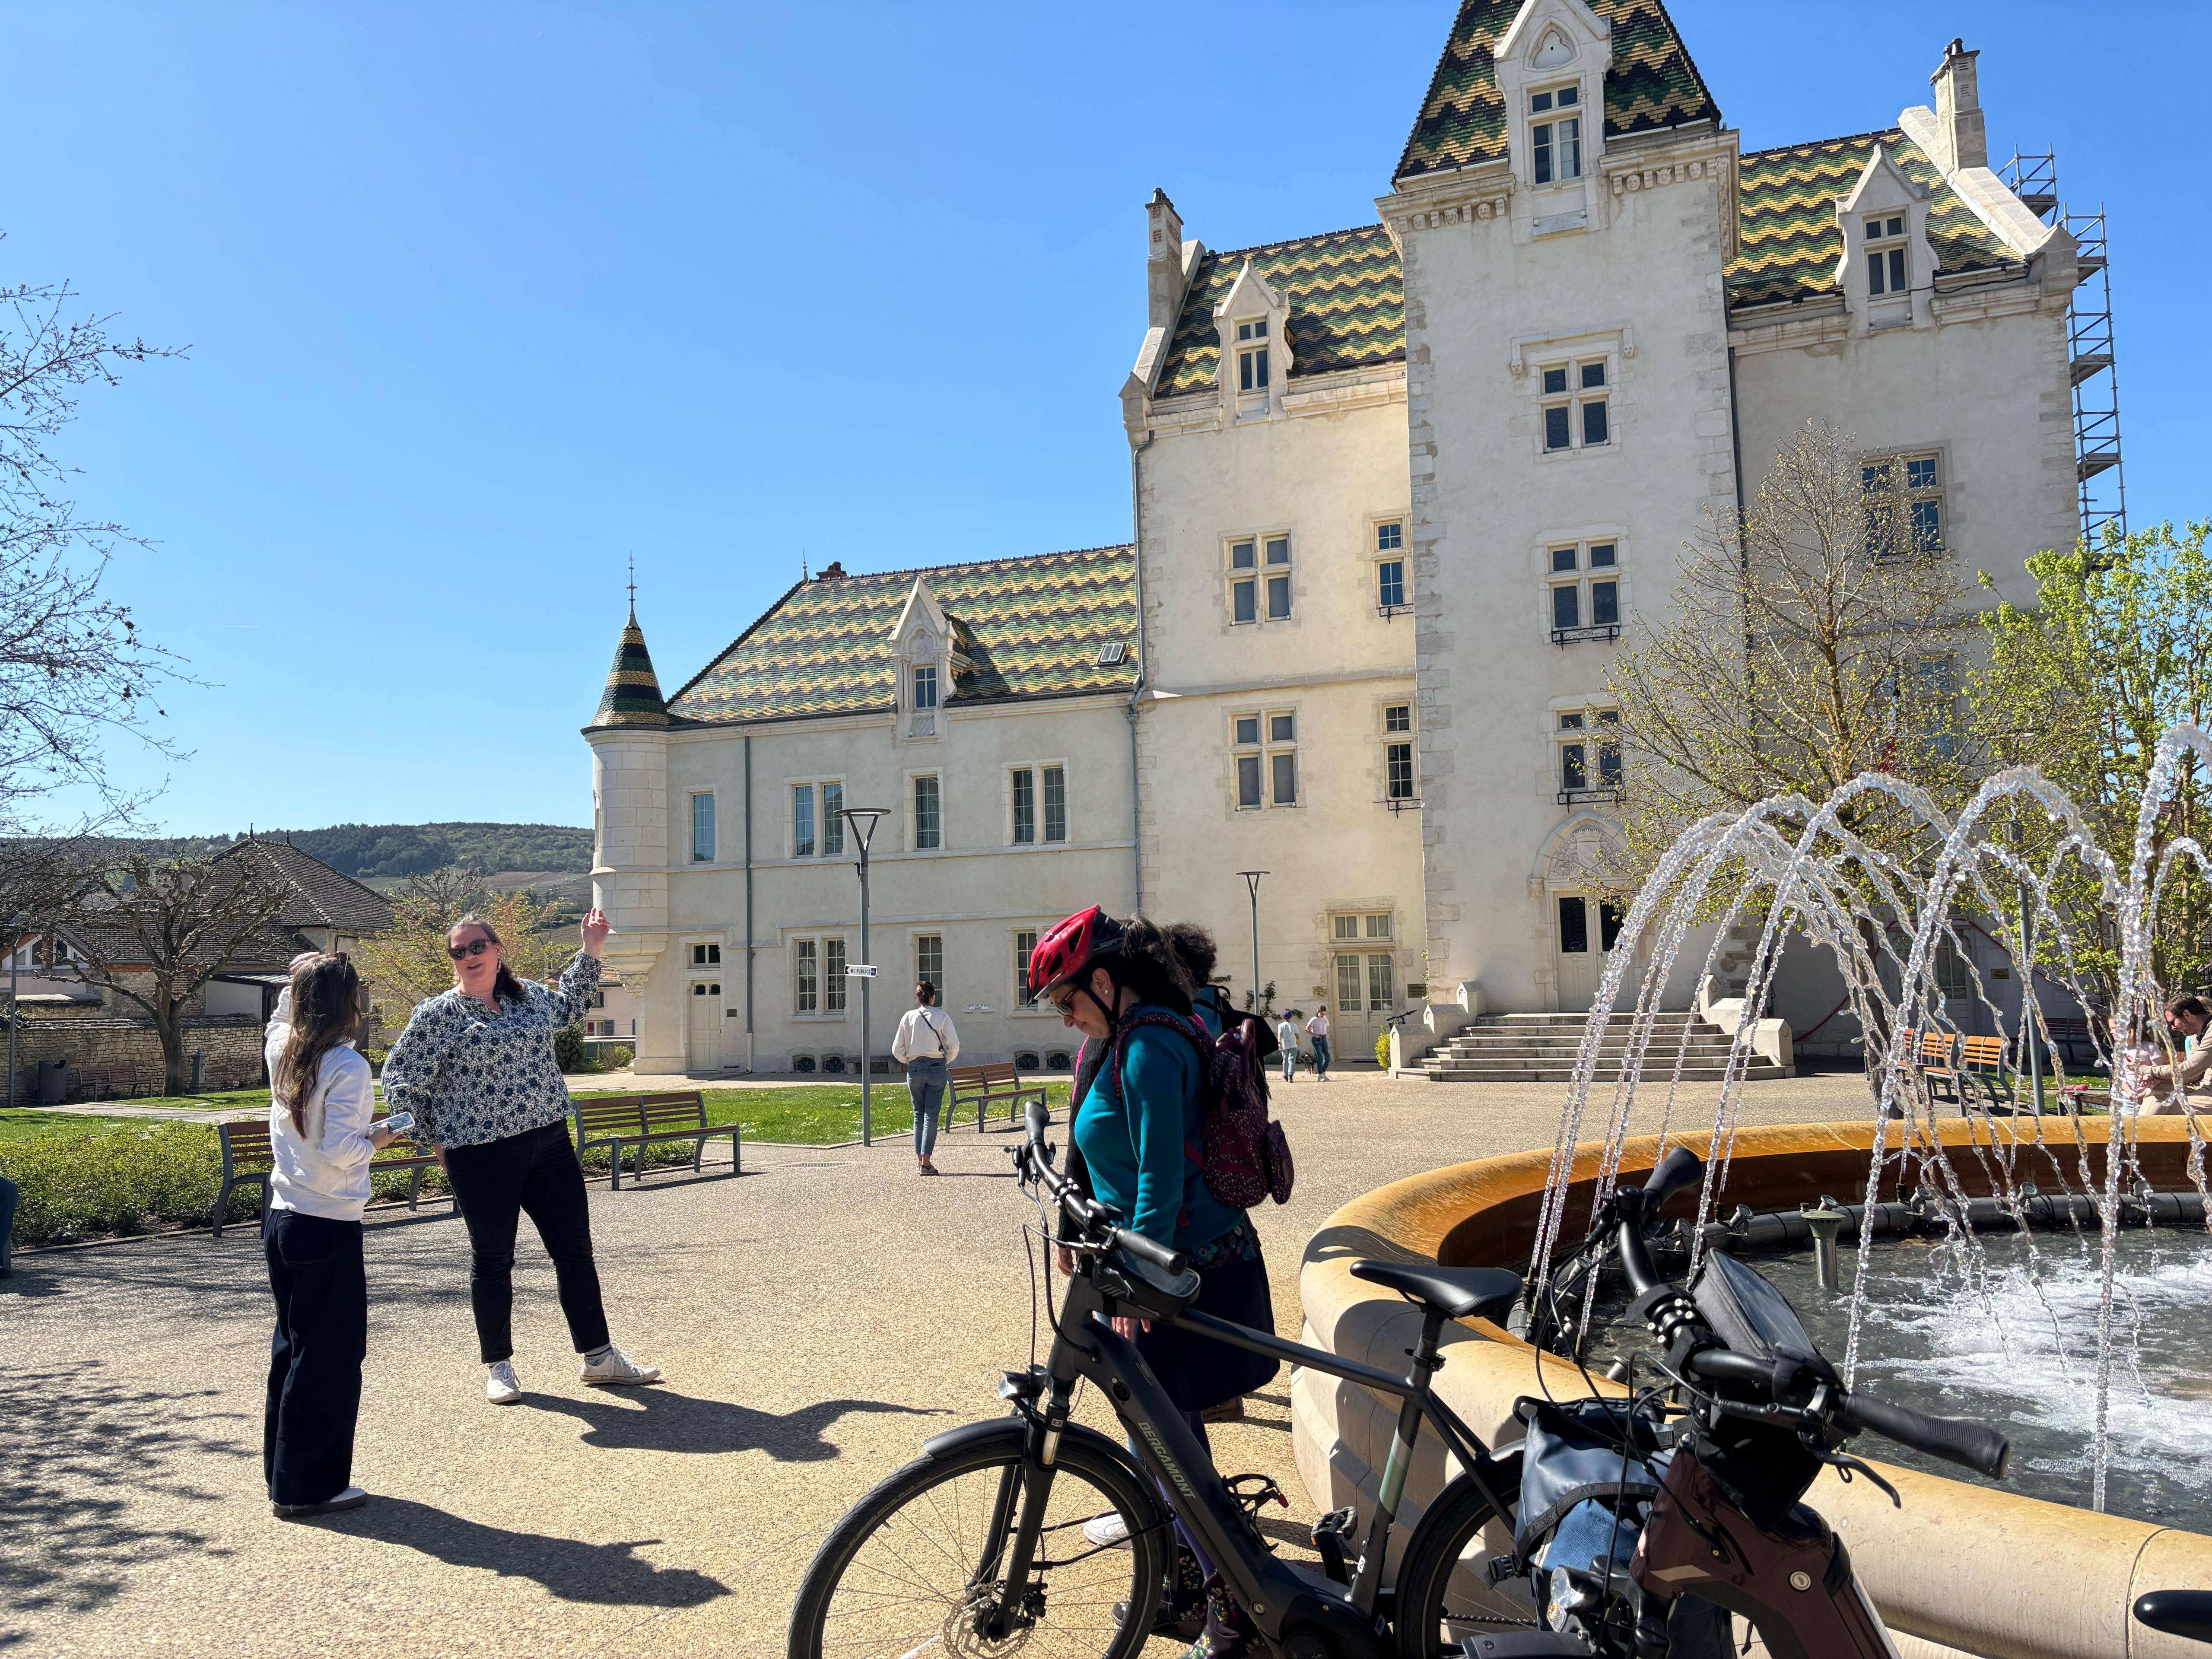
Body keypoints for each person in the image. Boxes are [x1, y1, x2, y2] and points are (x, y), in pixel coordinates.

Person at [1035, 906, 1276, 1659]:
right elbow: (1106, 1153)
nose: (1068, 1019)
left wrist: (1141, 1285)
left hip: (1188, 1272)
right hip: (1164, 1267)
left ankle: (1234, 1607)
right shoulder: (1124, 1042)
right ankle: (1211, 1583)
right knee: (1168, 1445)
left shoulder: (1147, 1050)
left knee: (1166, 1445)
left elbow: (1159, 1184)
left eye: (1070, 1001)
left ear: (1106, 983)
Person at [382, 907, 661, 1405]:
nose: (468, 956)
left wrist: (590, 948)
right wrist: (434, 1142)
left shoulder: (527, 997)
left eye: (477, 946)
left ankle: (599, 1358)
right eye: (458, 951)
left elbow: (574, 1008)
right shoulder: (437, 1014)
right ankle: (499, 1366)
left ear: (496, 949)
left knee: (575, 1253)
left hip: (548, 1145)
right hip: (479, 1155)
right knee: (492, 1260)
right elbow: (399, 1078)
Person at [262, 952, 394, 1519]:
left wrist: (296, 979)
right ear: (352, 1005)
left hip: (283, 1215)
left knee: (293, 1346)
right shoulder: (347, 1065)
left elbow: (275, 1022)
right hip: (326, 1223)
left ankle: (284, 1473)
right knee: (331, 1356)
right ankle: (310, 1487)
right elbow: (343, 1151)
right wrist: (381, 1138)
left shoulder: (282, 1049)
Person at [890, 980, 959, 1175]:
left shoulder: (908, 1017)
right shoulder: (942, 1017)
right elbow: (954, 1046)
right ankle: (927, 1163)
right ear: (933, 997)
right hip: (936, 1065)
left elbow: (897, 1049)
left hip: (914, 1067)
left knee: (918, 1114)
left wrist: (909, 1059)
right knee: (931, 1115)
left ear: (918, 998)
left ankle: (920, 1159)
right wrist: (946, 1059)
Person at [2142, 993, 2212, 1114]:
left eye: (2173, 1023)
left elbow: (2190, 1069)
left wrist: (2147, 1070)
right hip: (2205, 1090)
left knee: (2167, 1106)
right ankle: (2141, 1130)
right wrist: (2161, 1081)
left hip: (2208, 1093)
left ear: (2187, 1015)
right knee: (2157, 1091)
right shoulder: (2198, 1036)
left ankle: (2142, 1131)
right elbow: (2194, 1075)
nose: (2173, 1028)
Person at [1306, 1004, 1333, 1082]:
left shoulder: (1325, 1019)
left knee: (1327, 1057)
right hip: (1316, 1039)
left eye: (1324, 1013)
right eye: (1321, 1014)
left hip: (1324, 1038)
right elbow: (1307, 1029)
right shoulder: (1314, 1019)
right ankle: (1320, 1075)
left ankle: (1323, 1072)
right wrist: (1314, 1034)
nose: (1323, 1015)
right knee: (1320, 1057)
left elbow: (1327, 1025)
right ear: (1318, 1012)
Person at [1276, 1010, 1301, 1084]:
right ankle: (1291, 1075)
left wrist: (1279, 1043)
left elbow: (1279, 1034)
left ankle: (1285, 1074)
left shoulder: (1281, 1026)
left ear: (1283, 1018)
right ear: (1291, 1017)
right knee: (1292, 1060)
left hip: (1284, 1045)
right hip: (1293, 1045)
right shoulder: (1294, 1025)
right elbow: (1297, 1034)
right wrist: (1298, 1041)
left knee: (1285, 1060)